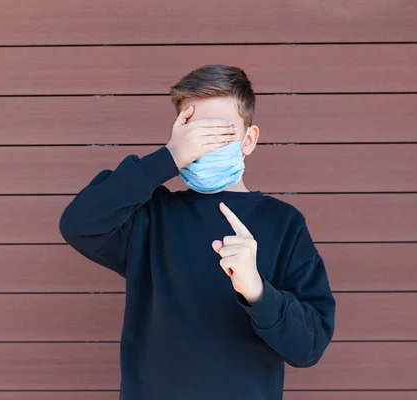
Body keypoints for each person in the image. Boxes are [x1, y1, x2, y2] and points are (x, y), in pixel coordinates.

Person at [58, 64, 336, 400]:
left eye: (220, 133)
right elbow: (79, 223)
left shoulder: (285, 224)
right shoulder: (150, 217)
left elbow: (309, 347)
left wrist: (258, 292)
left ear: (248, 140)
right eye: (194, 133)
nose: (205, 145)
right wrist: (167, 159)